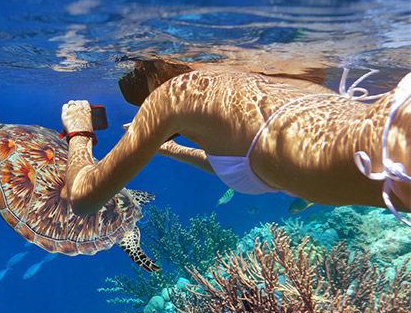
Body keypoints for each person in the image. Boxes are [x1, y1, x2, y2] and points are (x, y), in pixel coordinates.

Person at [59, 60, 411, 225]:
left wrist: (79, 133)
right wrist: (171, 149)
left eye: (144, 103)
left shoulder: (175, 94)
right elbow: (253, 161)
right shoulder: (269, 76)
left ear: (155, 77)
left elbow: (83, 198)